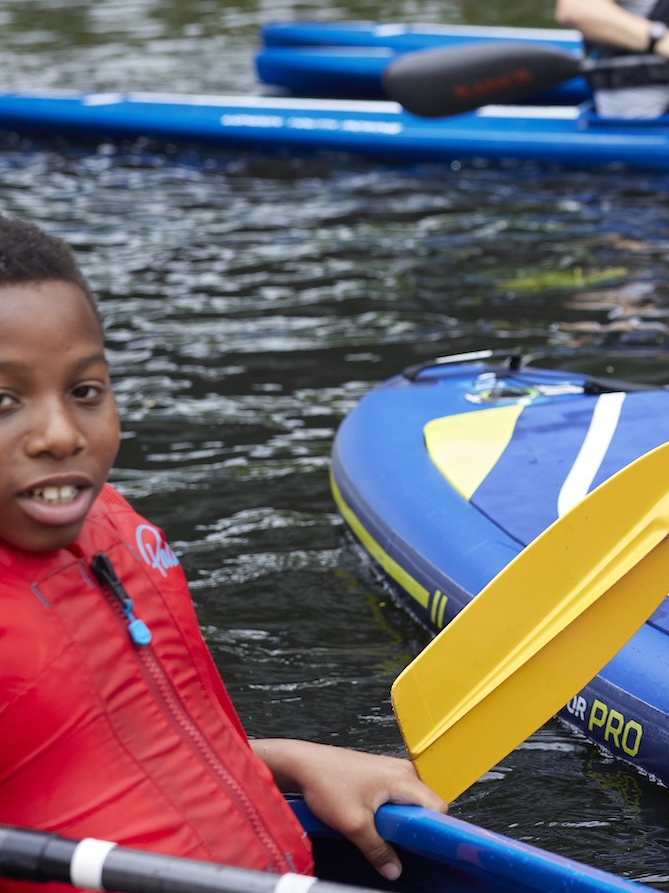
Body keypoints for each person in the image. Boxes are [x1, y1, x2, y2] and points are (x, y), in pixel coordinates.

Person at [0, 216, 445, 886]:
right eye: (4, 400)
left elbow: (98, 743)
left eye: (85, 391)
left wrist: (284, 759)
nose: (60, 434)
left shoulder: (110, 522)